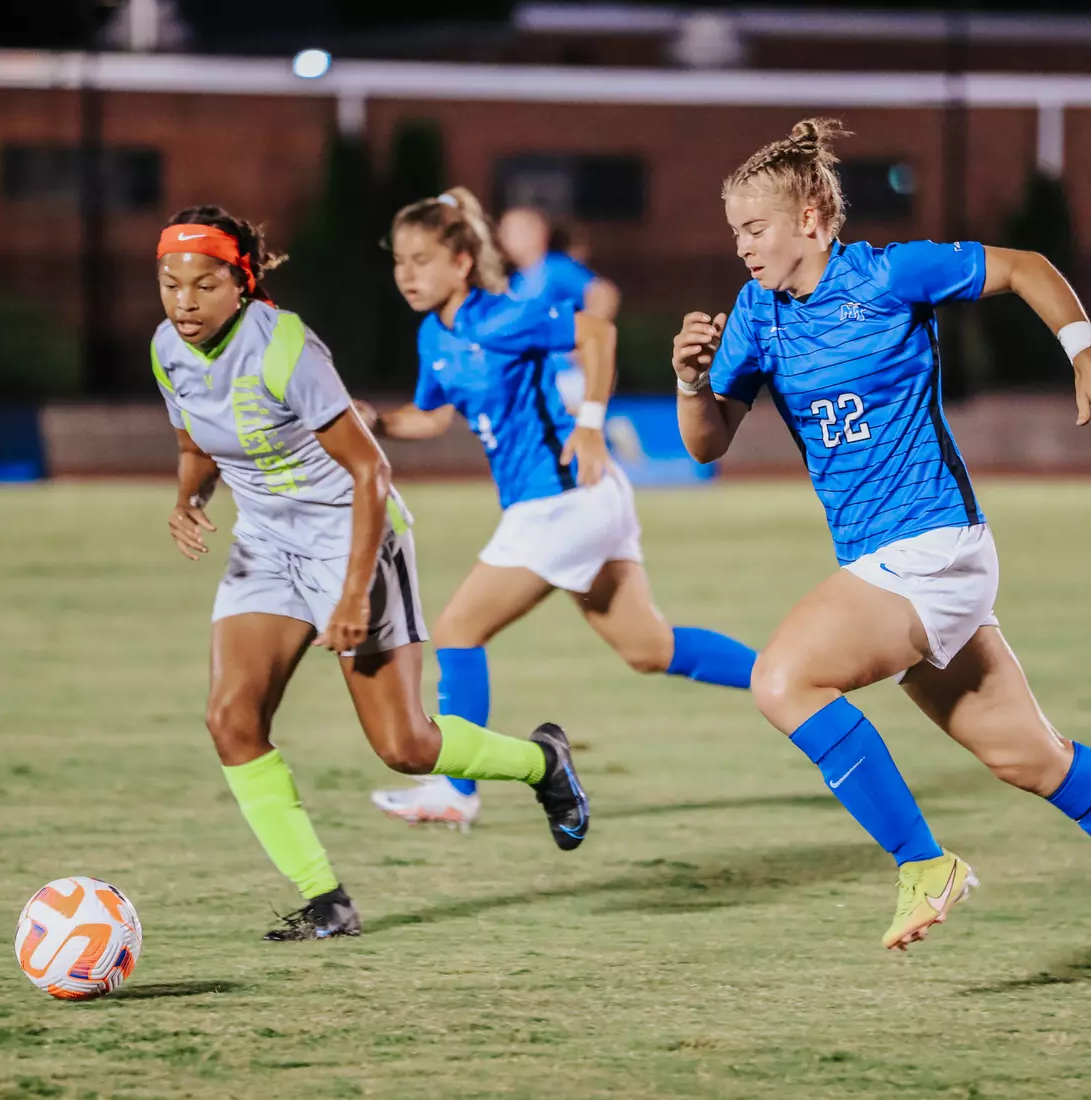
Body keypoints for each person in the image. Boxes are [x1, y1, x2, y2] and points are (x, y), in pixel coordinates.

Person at [671, 119, 1091, 985]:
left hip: (934, 547)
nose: (741, 247)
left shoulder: (888, 275)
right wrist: (689, 381)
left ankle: (923, 865)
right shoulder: (756, 318)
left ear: (814, 216)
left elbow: (1024, 268)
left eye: (754, 228)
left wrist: (1084, 353)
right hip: (890, 567)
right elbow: (707, 443)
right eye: (735, 232)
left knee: (783, 678)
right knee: (1032, 758)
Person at [150, 205, 590, 940]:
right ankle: (326, 899)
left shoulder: (285, 348)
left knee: (404, 745)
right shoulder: (168, 348)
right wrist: (187, 497)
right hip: (265, 547)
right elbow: (196, 439)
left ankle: (542, 762)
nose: (184, 302)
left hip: (350, 539)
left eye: (203, 284)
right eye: (170, 284)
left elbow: (370, 473)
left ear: (242, 283)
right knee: (231, 720)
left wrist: (353, 594)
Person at [364, 188, 757, 828]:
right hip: (576, 504)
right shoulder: (436, 334)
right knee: (648, 649)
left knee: (460, 630)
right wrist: (377, 419)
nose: (408, 274)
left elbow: (598, 330)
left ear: (462, 262)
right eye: (400, 261)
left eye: (422, 259)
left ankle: (456, 791)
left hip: (562, 502)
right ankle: (785, 680)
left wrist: (594, 422)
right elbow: (432, 416)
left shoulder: (500, 315)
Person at [499, 205, 621, 412]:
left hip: (569, 375)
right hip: (540, 377)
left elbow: (604, 293)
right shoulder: (517, 282)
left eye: (512, 230)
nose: (504, 237)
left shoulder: (555, 268)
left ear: (538, 232)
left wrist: (588, 340)